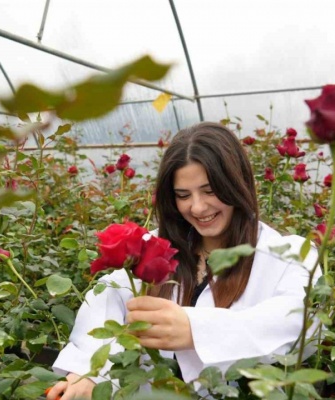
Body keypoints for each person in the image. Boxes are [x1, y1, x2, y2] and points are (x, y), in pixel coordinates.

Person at [47, 122, 320, 400]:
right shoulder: (154, 247)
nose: (198, 207)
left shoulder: (287, 253)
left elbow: (298, 322)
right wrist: (89, 373)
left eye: (210, 190)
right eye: (183, 195)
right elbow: (104, 307)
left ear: (237, 184)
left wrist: (196, 330)